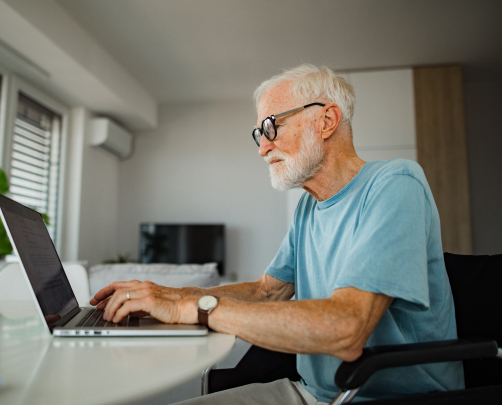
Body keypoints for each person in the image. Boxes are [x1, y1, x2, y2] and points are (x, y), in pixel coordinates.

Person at [90, 64, 464, 404]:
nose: (262, 147)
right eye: (259, 133)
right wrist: (170, 295)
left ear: (327, 120)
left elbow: (346, 328)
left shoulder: (395, 183)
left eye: (271, 126)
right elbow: (266, 291)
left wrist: (193, 309)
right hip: (314, 391)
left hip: (388, 396)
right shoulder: (308, 207)